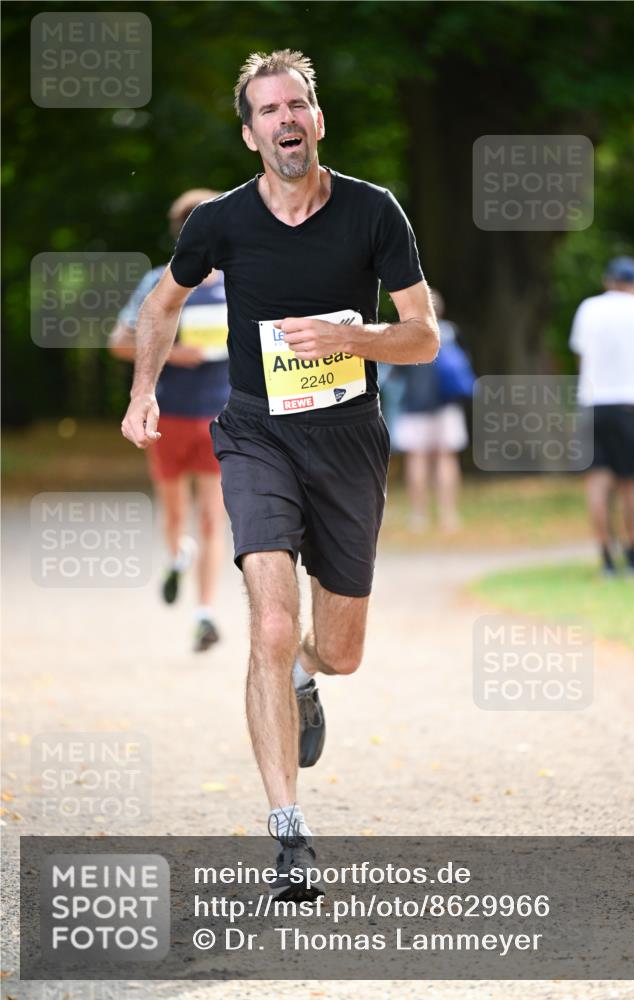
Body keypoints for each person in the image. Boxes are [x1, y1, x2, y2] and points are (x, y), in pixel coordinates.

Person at [120, 49, 438, 893]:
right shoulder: (219, 221)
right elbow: (162, 304)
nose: (284, 120)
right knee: (266, 622)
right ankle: (288, 832)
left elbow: (422, 335)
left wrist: (354, 339)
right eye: (267, 110)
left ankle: (305, 675)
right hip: (256, 434)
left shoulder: (374, 212)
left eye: (296, 104)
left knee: (339, 652)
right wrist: (143, 390)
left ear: (317, 118)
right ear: (249, 131)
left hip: (347, 439)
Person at [110, 189, 230, 651]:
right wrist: (176, 354)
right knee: (176, 513)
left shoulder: (239, 280)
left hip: (221, 416)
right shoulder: (160, 280)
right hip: (168, 414)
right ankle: (179, 557)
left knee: (211, 518)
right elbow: (119, 342)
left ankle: (204, 613)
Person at [569, 256, 634, 576]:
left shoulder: (589, 308)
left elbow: (581, 358)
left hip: (593, 403)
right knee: (629, 482)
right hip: (630, 405)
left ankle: (606, 558)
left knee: (597, 482)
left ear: (609, 281)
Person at [393, 289, 471, 532]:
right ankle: (449, 515)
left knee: (417, 458)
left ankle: (419, 516)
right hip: (447, 405)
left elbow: (396, 373)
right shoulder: (450, 332)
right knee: (447, 458)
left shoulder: (405, 334)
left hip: (415, 405)